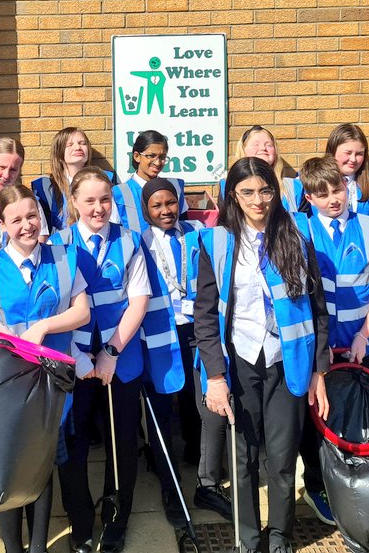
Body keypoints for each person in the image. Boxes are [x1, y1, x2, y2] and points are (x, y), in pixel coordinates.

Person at [194, 158, 330, 553]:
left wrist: (320, 370)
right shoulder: (215, 241)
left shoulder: (298, 234)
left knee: (283, 459)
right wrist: (215, 377)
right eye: (248, 192)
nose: (259, 200)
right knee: (243, 458)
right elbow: (204, 316)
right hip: (239, 362)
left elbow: (319, 308)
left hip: (288, 362)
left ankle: (280, 536)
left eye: (265, 190)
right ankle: (248, 538)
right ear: (233, 196)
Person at [0, 185, 91, 553]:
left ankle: (38, 547)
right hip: (8, 382)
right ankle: (13, 548)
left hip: (52, 382)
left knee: (42, 464)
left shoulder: (64, 257)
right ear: (2, 224)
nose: (27, 225)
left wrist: (45, 326)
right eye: (16, 219)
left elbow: (82, 311)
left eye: (32, 216)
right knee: (8, 466)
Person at [51, 167, 150, 553]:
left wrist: (110, 353)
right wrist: (78, 357)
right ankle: (80, 524)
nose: (98, 208)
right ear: (74, 202)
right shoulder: (57, 244)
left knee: (121, 441)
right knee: (72, 445)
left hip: (118, 357)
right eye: (89, 200)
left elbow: (138, 301)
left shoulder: (129, 240)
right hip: (71, 359)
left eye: (104, 199)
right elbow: (56, 306)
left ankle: (115, 520)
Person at [295, 156, 369, 525]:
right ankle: (316, 484)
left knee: (353, 417)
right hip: (314, 347)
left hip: (357, 344)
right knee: (313, 419)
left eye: (337, 189)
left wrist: (364, 334)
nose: (332, 199)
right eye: (322, 194)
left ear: (347, 187)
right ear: (309, 196)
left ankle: (352, 483)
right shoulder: (299, 229)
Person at [138, 178, 227, 528]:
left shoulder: (196, 231)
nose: (165, 211)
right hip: (159, 332)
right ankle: (170, 487)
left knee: (206, 405)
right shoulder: (139, 241)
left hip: (198, 329)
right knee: (162, 411)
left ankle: (206, 480)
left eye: (170, 203)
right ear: (146, 209)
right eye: (157, 205)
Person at [32, 127, 113, 231]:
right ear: (59, 153)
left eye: (82, 143)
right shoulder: (45, 187)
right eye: (69, 145)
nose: (78, 147)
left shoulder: (105, 179)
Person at [111, 130, 187, 234]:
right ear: (137, 156)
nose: (158, 162)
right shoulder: (118, 193)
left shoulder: (175, 187)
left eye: (162, 157)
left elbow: (183, 224)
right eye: (151, 156)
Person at [223, 125, 303, 212]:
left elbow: (305, 223)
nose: (263, 148)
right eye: (255, 145)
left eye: (269, 145)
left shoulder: (295, 186)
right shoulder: (227, 185)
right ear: (243, 150)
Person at [324, 123, 369, 217]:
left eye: (359, 154)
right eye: (348, 153)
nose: (353, 159)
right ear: (333, 151)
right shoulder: (309, 182)